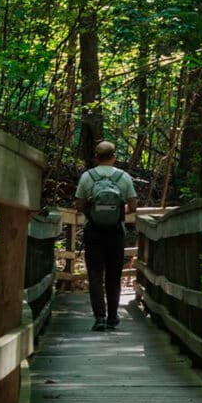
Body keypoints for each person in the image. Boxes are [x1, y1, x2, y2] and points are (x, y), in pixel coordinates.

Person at [75, 140, 138, 331]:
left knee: (95, 276)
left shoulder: (87, 177)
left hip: (93, 232)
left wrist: (96, 212)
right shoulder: (123, 177)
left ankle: (99, 318)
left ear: (96, 157)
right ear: (114, 157)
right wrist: (117, 211)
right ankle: (112, 317)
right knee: (113, 275)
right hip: (115, 233)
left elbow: (79, 206)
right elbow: (133, 206)